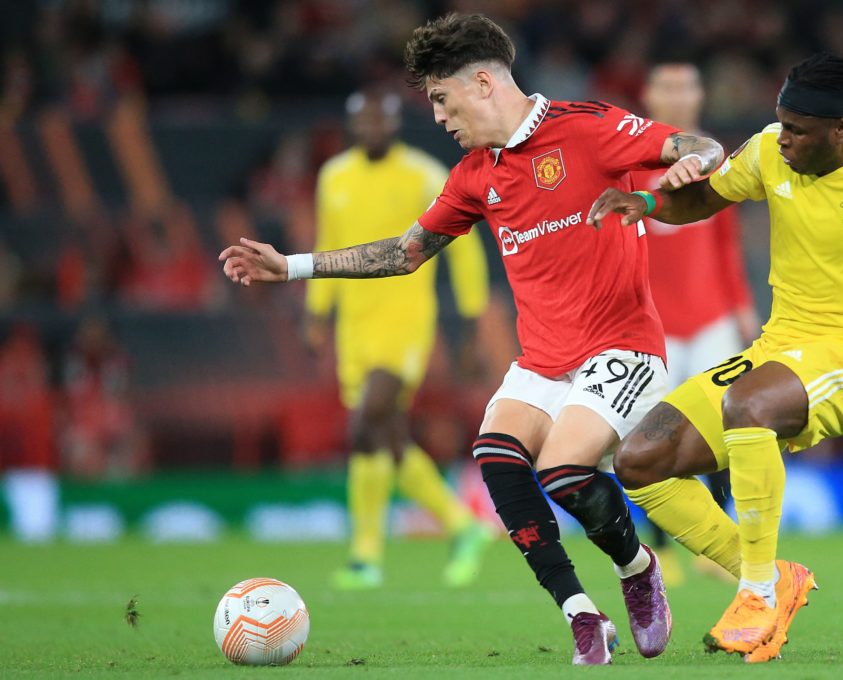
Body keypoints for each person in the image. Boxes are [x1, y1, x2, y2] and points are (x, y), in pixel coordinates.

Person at [221, 12, 729, 665]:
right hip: (545, 360)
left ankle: (637, 571)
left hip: (622, 345)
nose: (436, 116)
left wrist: (695, 166)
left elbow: (702, 147)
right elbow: (406, 253)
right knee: (496, 454)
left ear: (483, 83)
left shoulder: (588, 128)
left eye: (440, 97)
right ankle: (581, 614)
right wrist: (290, 266)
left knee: (563, 470)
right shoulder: (473, 175)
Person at [588, 52, 843, 662]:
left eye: (796, 130)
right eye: (780, 123)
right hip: (775, 346)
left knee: (749, 406)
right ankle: (771, 576)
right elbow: (705, 199)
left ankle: (756, 594)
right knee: (638, 458)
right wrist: (649, 206)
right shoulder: (766, 151)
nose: (781, 138)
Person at [303, 88, 495, 590]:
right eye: (362, 121)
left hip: (406, 322)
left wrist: (471, 325)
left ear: (393, 124)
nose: (371, 129)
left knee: (367, 423)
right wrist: (317, 312)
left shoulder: (424, 175)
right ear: (352, 127)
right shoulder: (334, 177)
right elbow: (328, 244)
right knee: (384, 436)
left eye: (380, 120)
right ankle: (463, 525)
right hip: (354, 327)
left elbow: (464, 249)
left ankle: (366, 554)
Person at [634, 61, 758, 585]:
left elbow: (724, 243)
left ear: (700, 94)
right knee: (645, 434)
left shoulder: (713, 159)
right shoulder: (630, 157)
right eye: (669, 86)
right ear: (649, 93)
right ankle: (660, 544)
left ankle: (720, 535)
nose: (680, 96)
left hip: (710, 319)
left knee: (730, 427)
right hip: (652, 324)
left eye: (688, 85)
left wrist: (741, 304)